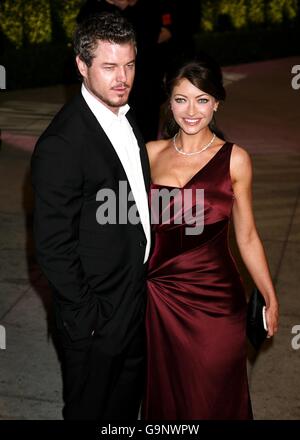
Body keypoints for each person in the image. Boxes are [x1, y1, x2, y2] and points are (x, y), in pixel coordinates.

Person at [143, 56, 279, 419]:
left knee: (215, 395)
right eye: (181, 99)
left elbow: (247, 234)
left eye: (202, 99)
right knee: (170, 400)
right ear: (168, 102)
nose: (191, 111)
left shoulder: (235, 160)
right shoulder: (149, 155)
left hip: (217, 300)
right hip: (160, 298)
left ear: (217, 102)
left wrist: (268, 293)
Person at [31, 12, 151, 420]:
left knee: (125, 410)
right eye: (110, 66)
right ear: (82, 66)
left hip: (137, 301)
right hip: (98, 318)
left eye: (130, 64)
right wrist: (90, 319)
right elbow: (52, 246)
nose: (123, 77)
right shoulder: (62, 143)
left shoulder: (127, 116)